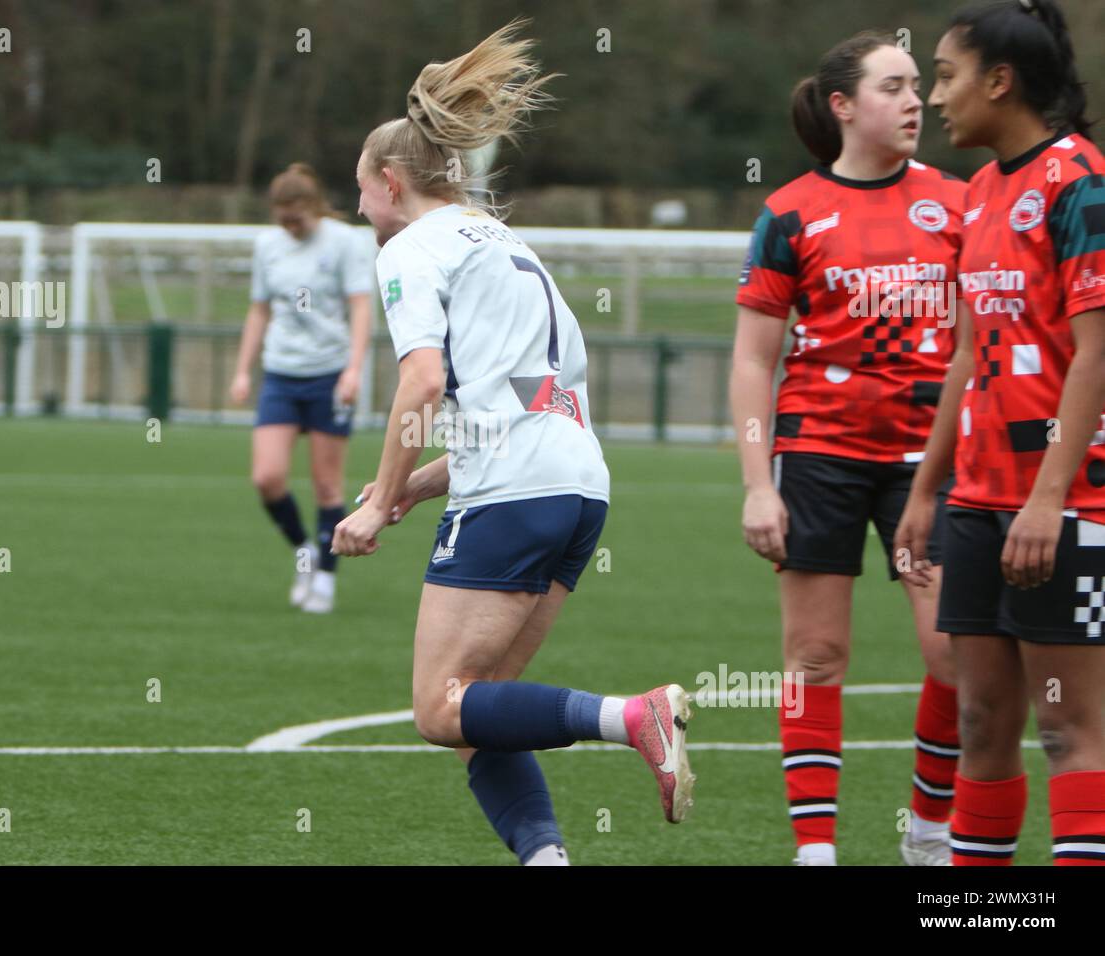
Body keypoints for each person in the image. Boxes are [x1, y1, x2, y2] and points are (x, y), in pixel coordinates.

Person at [331, 19, 695, 866]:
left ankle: (630, 716)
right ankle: (547, 859)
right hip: (578, 484)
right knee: (480, 707)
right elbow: (524, 402)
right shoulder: (507, 245)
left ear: (390, 182)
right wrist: (417, 489)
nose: (357, 210)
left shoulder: (412, 250)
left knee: (437, 708)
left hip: (515, 492)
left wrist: (379, 500)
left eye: (360, 191)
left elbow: (421, 384)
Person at [731, 31, 967, 866]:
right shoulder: (790, 211)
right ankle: (816, 850)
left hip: (929, 464)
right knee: (816, 657)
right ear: (842, 106)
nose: (917, 103)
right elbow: (755, 359)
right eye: (895, 87)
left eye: (917, 86)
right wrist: (759, 485)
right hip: (819, 455)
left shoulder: (958, 201)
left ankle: (930, 829)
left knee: (953, 655)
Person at [895, 0, 1105, 866]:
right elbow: (967, 357)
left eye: (945, 75)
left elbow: (1097, 351)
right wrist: (923, 490)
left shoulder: (1080, 182)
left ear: (1000, 80)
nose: (935, 97)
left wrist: (1048, 500)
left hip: (1068, 502)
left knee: (1067, 727)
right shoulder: (980, 193)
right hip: (975, 500)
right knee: (982, 721)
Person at [230, 163, 375, 613]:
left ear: (315, 209)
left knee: (327, 486)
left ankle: (327, 580)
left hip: (328, 374)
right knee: (267, 477)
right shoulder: (267, 246)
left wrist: (353, 369)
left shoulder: (345, 242)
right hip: (280, 373)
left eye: (299, 219)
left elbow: (360, 307)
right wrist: (242, 369)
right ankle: (305, 552)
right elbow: (259, 310)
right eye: (283, 220)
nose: (291, 228)